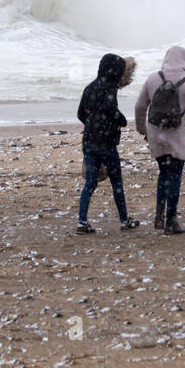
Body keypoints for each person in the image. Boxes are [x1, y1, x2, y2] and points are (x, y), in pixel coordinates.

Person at [134, 45, 185, 235]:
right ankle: (171, 220)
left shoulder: (153, 79)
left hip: (156, 136)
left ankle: (159, 215)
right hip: (178, 137)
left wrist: (143, 131)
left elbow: (140, 107)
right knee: (175, 176)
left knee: (163, 174)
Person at [75, 54, 139, 234]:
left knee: (90, 183)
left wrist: (91, 124)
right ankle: (124, 220)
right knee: (116, 182)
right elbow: (110, 110)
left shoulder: (89, 88)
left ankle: (82, 220)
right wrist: (121, 120)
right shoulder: (109, 89)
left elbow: (80, 113)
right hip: (106, 143)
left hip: (89, 141)